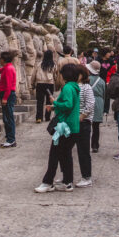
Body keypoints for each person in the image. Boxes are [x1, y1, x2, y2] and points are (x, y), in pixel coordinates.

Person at [35, 63, 82, 192]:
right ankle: (67, 181)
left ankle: (47, 181)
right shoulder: (74, 87)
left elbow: (67, 105)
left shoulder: (67, 88)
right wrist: (55, 106)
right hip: (72, 126)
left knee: (54, 154)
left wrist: (55, 102)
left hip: (64, 126)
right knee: (65, 154)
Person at [73, 65, 94, 187]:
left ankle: (86, 176)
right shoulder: (74, 86)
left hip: (83, 122)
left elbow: (91, 104)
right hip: (74, 121)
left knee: (83, 150)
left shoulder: (86, 88)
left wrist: (82, 116)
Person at [87, 60, 106, 153]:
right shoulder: (102, 81)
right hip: (98, 102)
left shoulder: (86, 79)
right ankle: (95, 145)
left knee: (86, 124)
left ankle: (86, 144)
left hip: (88, 101)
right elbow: (104, 95)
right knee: (96, 126)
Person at [34, 49, 55, 123]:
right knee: (49, 101)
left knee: (40, 101)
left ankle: (39, 118)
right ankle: (47, 117)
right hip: (50, 84)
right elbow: (55, 75)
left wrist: (32, 84)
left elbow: (34, 74)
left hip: (40, 84)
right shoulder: (53, 65)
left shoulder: (39, 64)